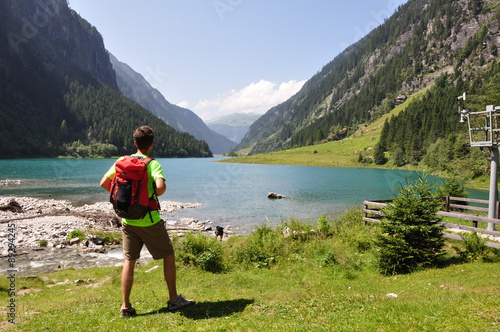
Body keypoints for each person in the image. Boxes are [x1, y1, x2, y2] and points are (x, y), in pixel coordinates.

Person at [100, 125, 195, 318]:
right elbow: (159, 189)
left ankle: (126, 307)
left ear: (135, 143)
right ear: (151, 144)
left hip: (127, 220)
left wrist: (122, 199)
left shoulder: (121, 161)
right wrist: (156, 188)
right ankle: (174, 300)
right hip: (149, 220)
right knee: (168, 255)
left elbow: (104, 183)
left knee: (129, 261)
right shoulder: (153, 164)